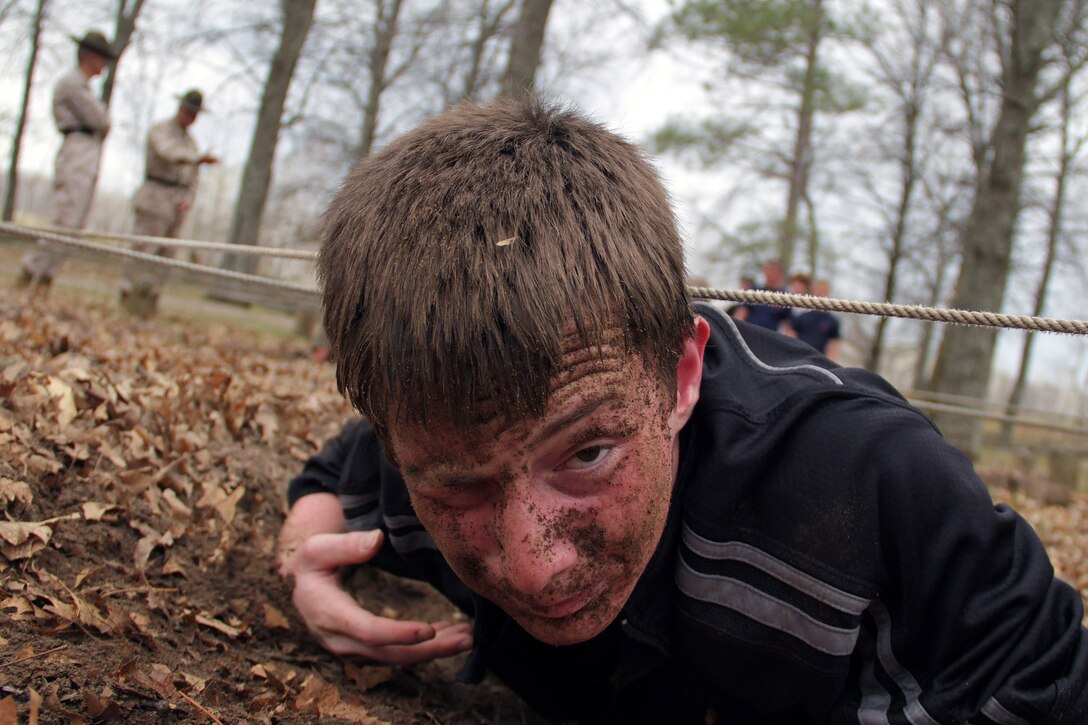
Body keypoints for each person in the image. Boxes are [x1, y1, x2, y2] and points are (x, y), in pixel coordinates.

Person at [278, 98, 1088, 724]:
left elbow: (1043, 681)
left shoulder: (866, 482)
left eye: (588, 454)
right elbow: (328, 478)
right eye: (461, 491)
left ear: (680, 373)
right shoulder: (429, 442)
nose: (536, 564)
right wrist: (304, 559)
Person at [17, 30, 116, 296]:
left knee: (76, 223)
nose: (104, 65)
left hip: (88, 149)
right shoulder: (71, 83)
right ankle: (32, 271)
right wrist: (103, 122)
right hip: (76, 147)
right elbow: (101, 121)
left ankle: (47, 277)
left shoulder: (84, 87)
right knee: (65, 217)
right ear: (90, 56)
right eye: (102, 58)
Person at [119, 90, 219, 317]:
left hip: (177, 203)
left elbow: (193, 177)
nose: (190, 117)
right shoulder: (161, 130)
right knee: (144, 248)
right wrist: (198, 158)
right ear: (180, 108)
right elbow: (169, 153)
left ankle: (152, 296)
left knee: (167, 253)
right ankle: (129, 293)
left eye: (195, 114)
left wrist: (188, 199)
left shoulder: (191, 142)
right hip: (155, 196)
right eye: (188, 111)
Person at [730, 258, 790, 332]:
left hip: (770, 336)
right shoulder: (754, 290)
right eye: (769, 270)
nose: (771, 273)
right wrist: (735, 330)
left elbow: (788, 324)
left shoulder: (785, 296)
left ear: (780, 274)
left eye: (773, 270)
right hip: (750, 332)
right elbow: (742, 312)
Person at [790, 278, 842, 361]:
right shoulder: (802, 317)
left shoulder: (832, 321)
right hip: (799, 357)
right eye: (817, 290)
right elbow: (791, 335)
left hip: (820, 360)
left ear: (828, 293)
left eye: (823, 291)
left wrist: (830, 362)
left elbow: (834, 345)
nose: (820, 293)